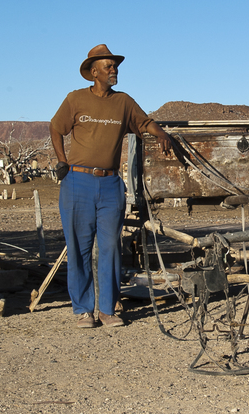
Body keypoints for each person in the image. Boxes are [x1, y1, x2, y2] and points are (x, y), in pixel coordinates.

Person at [50, 44, 172, 328]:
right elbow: (55, 127)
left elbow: (145, 122)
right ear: (94, 72)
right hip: (77, 181)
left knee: (110, 247)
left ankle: (107, 309)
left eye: (115, 66)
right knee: (79, 248)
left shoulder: (123, 102)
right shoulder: (75, 99)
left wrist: (162, 134)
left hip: (110, 184)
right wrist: (61, 160)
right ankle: (83, 311)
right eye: (109, 66)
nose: (114, 70)